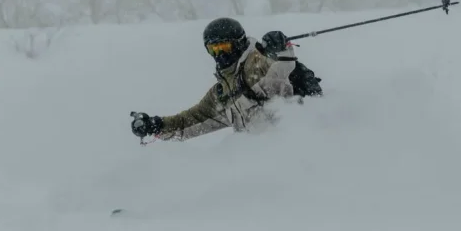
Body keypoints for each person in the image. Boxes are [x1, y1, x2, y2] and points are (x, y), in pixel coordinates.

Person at [130, 18, 323, 145]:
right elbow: (192, 120)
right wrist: (157, 125)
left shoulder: (254, 63)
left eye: (225, 47)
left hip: (295, 147)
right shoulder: (222, 92)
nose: (220, 54)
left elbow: (278, 69)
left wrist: (279, 49)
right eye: (214, 49)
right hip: (257, 164)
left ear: (239, 43)